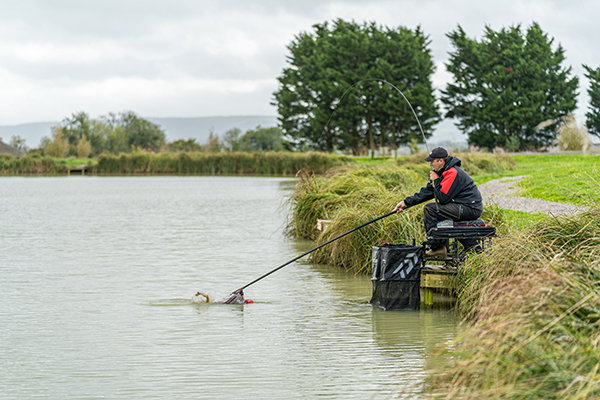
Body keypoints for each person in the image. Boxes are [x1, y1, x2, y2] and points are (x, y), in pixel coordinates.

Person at [393, 147, 483, 258]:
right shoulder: (441, 172)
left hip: (470, 207)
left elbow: (443, 198)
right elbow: (428, 192)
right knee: (437, 210)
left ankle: (436, 247)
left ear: (441, 161)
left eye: (432, 161)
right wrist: (406, 202)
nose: (430, 164)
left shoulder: (452, 172)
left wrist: (436, 180)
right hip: (460, 206)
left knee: (430, 209)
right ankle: (444, 248)